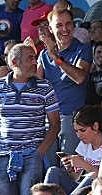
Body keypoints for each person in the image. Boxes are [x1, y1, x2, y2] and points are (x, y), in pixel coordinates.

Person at [0, 43, 60, 195]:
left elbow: (55, 124)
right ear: (14, 62)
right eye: (30, 58)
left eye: (35, 58)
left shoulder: (45, 87)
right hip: (2, 156)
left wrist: (39, 153)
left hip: (32, 155)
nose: (35, 62)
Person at [37, 9, 92, 159]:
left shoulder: (83, 48)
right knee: (48, 167)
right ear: (50, 29)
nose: (65, 29)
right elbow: (36, 85)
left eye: (68, 24)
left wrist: (56, 58)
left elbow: (80, 77)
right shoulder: (44, 54)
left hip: (71, 118)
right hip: (48, 119)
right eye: (59, 25)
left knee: (69, 166)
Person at [44, 105, 102, 195]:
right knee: (53, 170)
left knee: (90, 176)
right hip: (79, 187)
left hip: (97, 190)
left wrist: (83, 164)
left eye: (82, 130)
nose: (79, 135)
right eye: (76, 131)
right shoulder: (84, 143)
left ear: (95, 126)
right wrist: (70, 169)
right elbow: (76, 177)